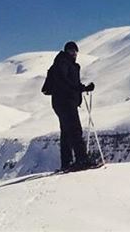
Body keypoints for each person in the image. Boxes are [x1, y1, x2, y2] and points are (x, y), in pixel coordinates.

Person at [42, 41, 95, 171]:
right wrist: (82, 88)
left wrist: (82, 88)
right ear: (67, 51)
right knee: (75, 130)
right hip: (65, 102)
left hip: (61, 102)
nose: (74, 54)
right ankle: (82, 160)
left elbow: (68, 82)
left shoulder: (64, 63)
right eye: (71, 51)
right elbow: (65, 82)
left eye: (75, 51)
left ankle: (67, 162)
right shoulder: (64, 63)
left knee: (66, 132)